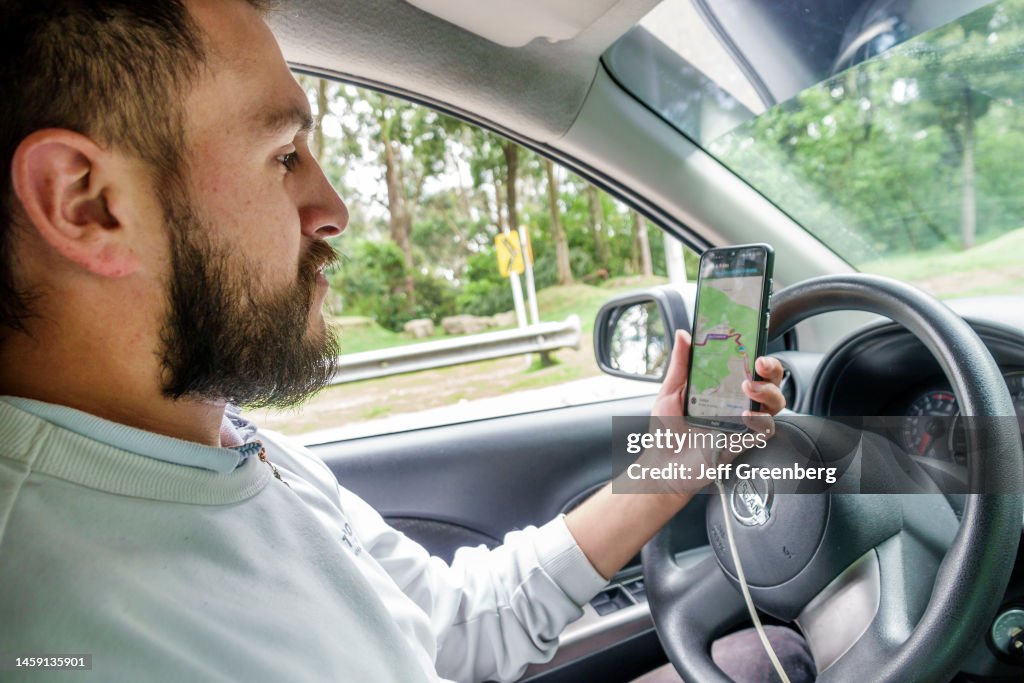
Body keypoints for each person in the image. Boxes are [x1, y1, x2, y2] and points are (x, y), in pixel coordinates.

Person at [0, 1, 812, 681]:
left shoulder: (231, 442)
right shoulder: (60, 630)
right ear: (86, 203)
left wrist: (672, 467)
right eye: (283, 155)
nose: (331, 208)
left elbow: (449, 624)